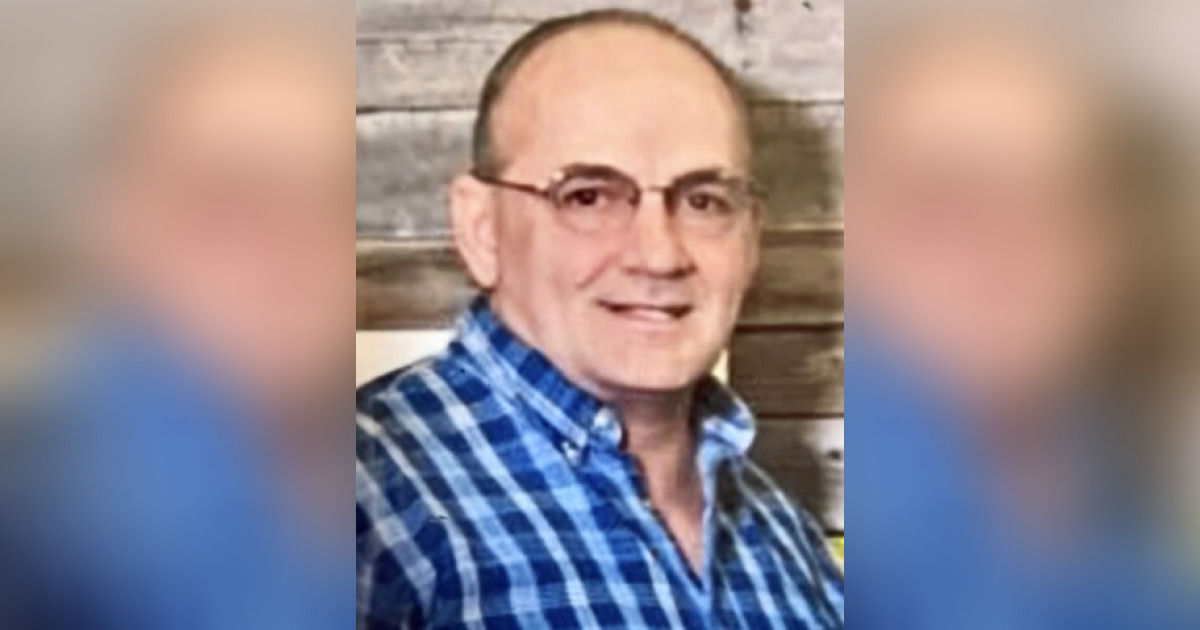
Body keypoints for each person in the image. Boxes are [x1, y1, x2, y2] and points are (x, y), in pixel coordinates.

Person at [356, 9, 845, 629]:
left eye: (704, 201)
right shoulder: (355, 494)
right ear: (481, 228)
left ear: (751, 240)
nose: (658, 255)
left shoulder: (787, 543)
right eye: (587, 196)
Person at [0, 7, 350, 629]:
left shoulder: (339, 463)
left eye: (335, 201)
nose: (295, 247)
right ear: (116, 224)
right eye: (232, 200)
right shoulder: (44, 503)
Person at [849, 12, 1200, 630]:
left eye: (1061, 199)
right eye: (948, 199)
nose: (1010, 247)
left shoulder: (1121, 468)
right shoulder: (835, 517)